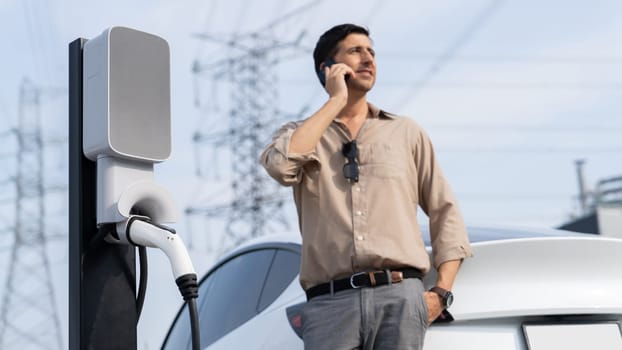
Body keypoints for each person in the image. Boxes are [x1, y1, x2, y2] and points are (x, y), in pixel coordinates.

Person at [260, 23, 473, 350]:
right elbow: (281, 167)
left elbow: (445, 211)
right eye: (355, 51)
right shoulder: (301, 134)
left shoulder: (406, 132)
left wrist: (440, 294)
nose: (368, 59)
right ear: (328, 68)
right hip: (329, 307)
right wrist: (335, 100)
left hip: (400, 300)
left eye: (371, 52)